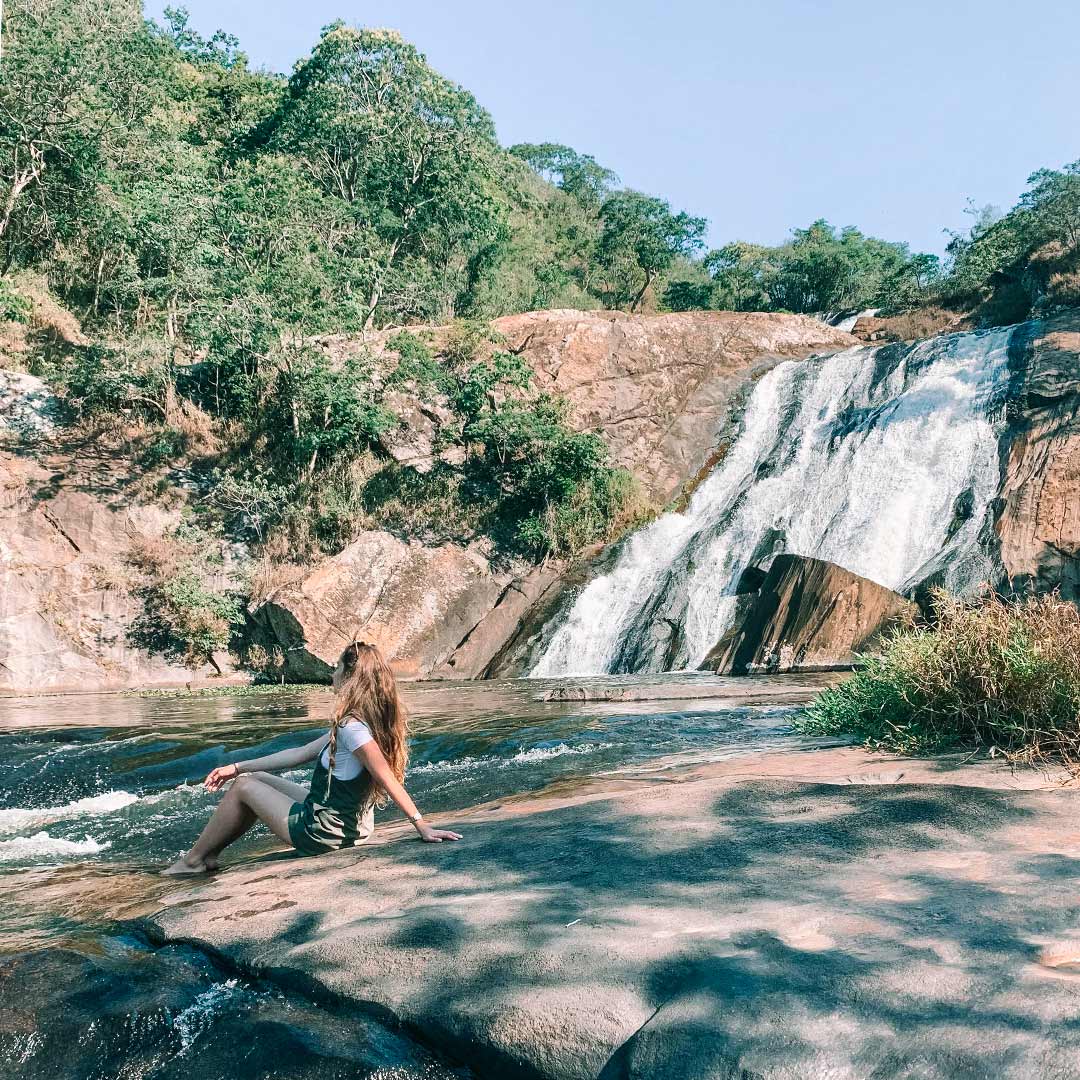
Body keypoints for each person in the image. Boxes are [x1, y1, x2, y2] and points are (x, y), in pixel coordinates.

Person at [164, 641, 461, 875]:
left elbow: (387, 778)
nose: (331, 675)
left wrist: (422, 825)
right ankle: (210, 854)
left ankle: (194, 861)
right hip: (346, 825)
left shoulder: (352, 728)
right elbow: (297, 754)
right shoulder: (360, 723)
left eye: (336, 669)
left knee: (243, 787)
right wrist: (237, 766)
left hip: (324, 833)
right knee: (250, 778)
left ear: (349, 678)